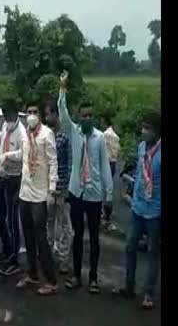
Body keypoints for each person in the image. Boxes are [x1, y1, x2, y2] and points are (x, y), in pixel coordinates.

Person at [58, 71, 113, 294]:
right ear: (79, 117)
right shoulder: (74, 132)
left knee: (95, 238)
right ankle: (76, 275)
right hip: (76, 192)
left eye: (90, 115)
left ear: (94, 117)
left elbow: (105, 167)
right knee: (77, 235)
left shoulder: (100, 138)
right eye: (83, 116)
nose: (87, 119)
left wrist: (108, 195)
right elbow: (62, 114)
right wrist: (62, 89)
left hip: (94, 194)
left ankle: (93, 278)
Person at [114, 112, 161, 310]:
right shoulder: (142, 148)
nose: (143, 131)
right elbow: (141, 176)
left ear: (157, 131)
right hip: (138, 207)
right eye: (142, 127)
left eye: (147, 128)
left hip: (156, 211)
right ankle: (129, 286)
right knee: (130, 247)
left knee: (152, 252)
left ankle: (148, 293)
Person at [16, 102, 59, 295]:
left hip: (40, 194)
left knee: (41, 237)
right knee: (29, 235)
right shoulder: (25, 134)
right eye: (29, 112)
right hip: (25, 192)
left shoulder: (46, 134)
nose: (31, 115)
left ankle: (51, 280)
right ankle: (32, 273)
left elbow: (53, 162)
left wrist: (52, 190)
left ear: (40, 115)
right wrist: (7, 156)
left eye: (35, 112)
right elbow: (23, 155)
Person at [0, 99, 27, 277]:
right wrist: (1, 161)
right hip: (4, 177)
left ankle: (14, 260)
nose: (8, 120)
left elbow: (24, 154)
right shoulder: (6, 128)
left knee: (13, 221)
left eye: (10, 116)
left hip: (16, 179)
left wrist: (8, 156)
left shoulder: (22, 133)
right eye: (6, 117)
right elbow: (1, 147)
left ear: (16, 114)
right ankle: (7, 249)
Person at [43, 100, 73, 274]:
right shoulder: (46, 135)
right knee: (49, 224)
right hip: (47, 189)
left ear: (55, 114)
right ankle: (49, 256)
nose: (47, 118)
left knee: (66, 227)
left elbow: (69, 164)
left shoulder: (64, 136)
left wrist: (67, 188)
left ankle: (63, 258)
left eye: (48, 114)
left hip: (61, 190)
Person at [102, 118, 120, 228]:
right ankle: (107, 215)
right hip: (113, 163)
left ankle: (104, 214)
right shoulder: (116, 136)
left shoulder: (104, 135)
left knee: (103, 190)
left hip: (105, 163)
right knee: (109, 189)